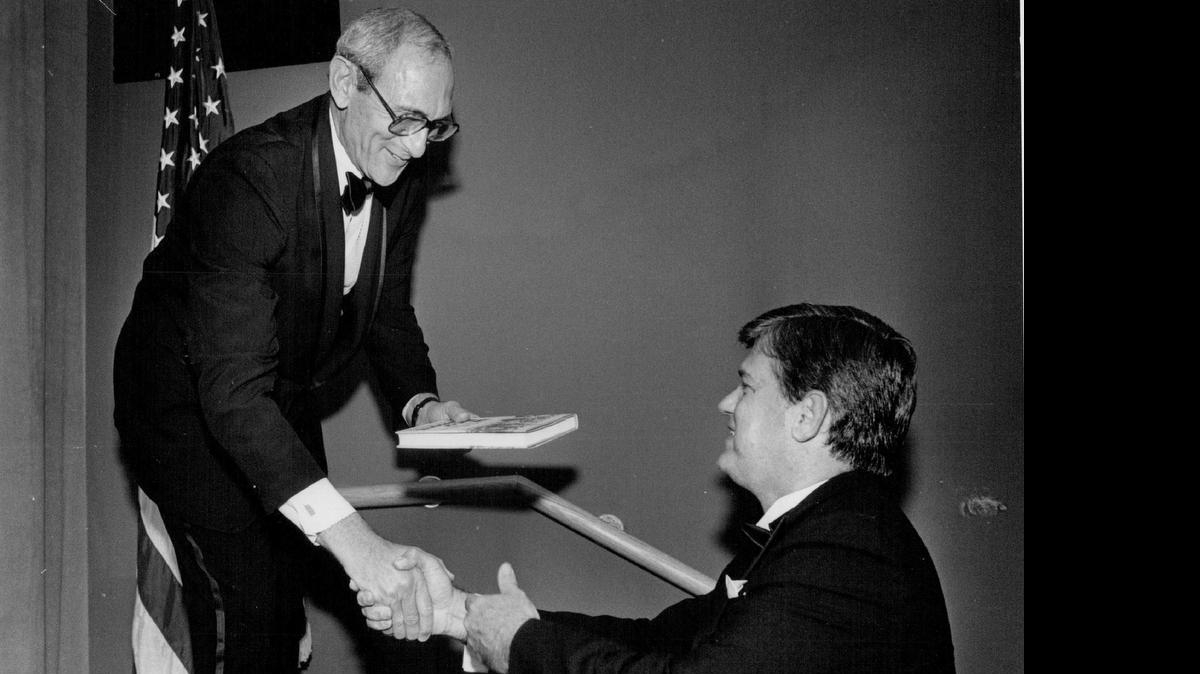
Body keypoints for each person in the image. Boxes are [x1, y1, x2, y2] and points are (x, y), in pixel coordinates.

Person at [114, 8, 467, 671]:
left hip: (273, 387)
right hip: (185, 404)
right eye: (407, 119)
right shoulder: (249, 179)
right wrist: (359, 545)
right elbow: (232, 396)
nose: (421, 148)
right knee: (247, 603)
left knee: (288, 589)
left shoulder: (400, 165)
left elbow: (384, 303)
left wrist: (421, 403)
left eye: (437, 125)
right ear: (343, 82)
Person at [389, 303, 956, 672]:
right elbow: (661, 641)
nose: (726, 404)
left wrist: (520, 644)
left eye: (747, 386)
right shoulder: (822, 532)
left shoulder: (848, 551)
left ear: (806, 416)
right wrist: (467, 614)